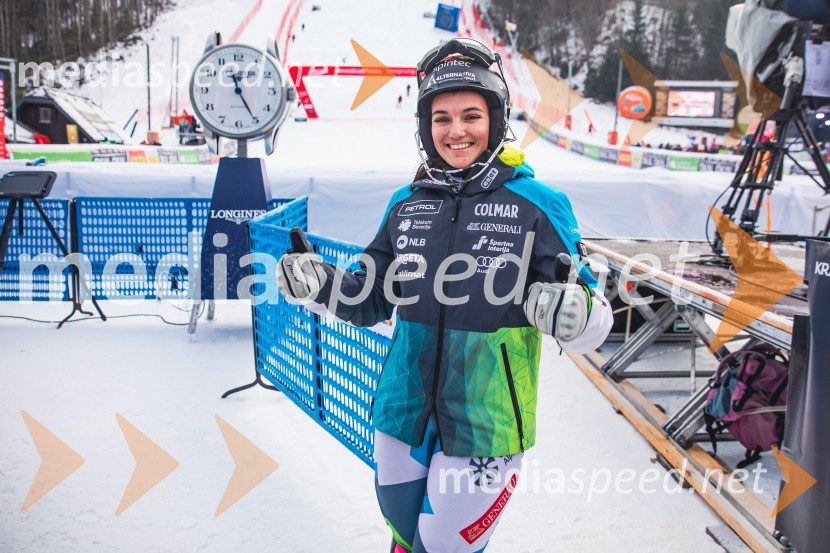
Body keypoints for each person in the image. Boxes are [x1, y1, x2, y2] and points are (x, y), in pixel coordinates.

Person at [277, 38, 613, 553]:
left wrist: (578, 315)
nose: (456, 131)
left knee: (444, 547)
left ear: (496, 121)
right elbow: (367, 298)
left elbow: (590, 309)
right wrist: (316, 284)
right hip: (400, 413)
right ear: (424, 127)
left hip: (486, 424)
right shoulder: (407, 204)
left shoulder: (537, 203)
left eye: (471, 115)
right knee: (402, 535)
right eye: (441, 119)